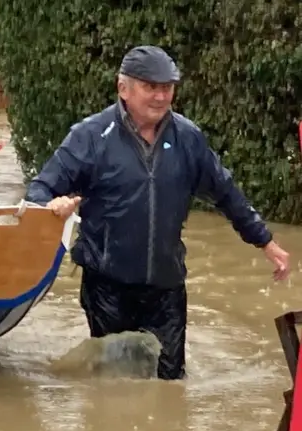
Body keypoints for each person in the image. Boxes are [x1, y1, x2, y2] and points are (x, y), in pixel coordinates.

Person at [25, 45, 291, 381]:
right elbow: (39, 190)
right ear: (124, 88)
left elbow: (226, 192)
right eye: (151, 87)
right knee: (114, 387)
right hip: (108, 286)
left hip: (166, 287)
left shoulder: (188, 139)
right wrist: (51, 208)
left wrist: (265, 241)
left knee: (170, 384)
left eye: (167, 88)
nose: (161, 96)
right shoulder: (90, 137)